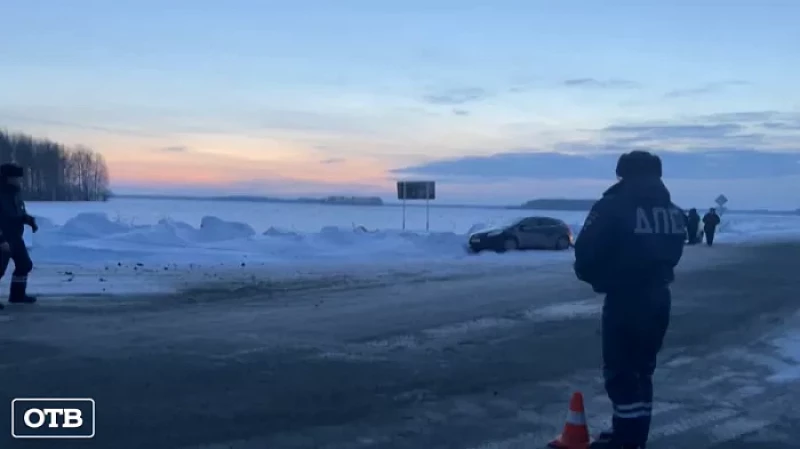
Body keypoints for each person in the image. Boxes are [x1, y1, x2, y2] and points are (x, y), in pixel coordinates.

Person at [573, 151, 686, 449]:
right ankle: (633, 435)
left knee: (621, 372)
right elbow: (674, 252)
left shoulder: (613, 206)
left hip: (626, 300)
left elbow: (586, 253)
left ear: (622, 174)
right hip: (660, 297)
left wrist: (602, 279)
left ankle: (625, 440)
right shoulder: (673, 210)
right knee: (643, 370)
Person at [0, 163, 39, 304]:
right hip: (3, 238)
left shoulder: (15, 193)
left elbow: (18, 212)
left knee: (24, 265)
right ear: (7, 178)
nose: (19, 180)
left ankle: (17, 296)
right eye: (16, 177)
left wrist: (28, 220)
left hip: (15, 237)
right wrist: (1, 240)